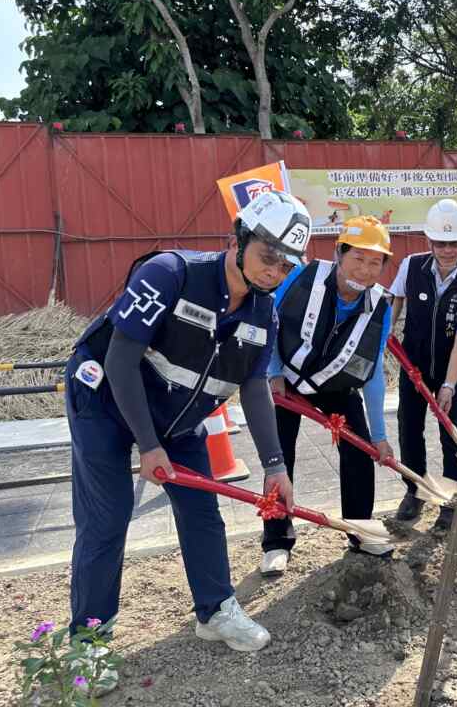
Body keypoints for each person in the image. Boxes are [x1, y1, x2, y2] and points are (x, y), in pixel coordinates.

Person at [65, 191, 310, 683]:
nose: (273, 273)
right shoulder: (170, 274)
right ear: (238, 240)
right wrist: (147, 445)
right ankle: (88, 642)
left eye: (285, 268)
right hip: (106, 400)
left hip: (179, 417)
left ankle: (216, 611)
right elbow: (119, 360)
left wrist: (275, 464)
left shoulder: (264, 314)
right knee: (108, 519)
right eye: (268, 257)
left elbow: (255, 386)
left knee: (201, 514)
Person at [262, 215, 395, 575]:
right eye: (358, 258)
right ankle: (276, 541)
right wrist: (273, 371)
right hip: (285, 377)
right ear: (339, 253)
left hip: (336, 385)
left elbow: (371, 374)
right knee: (277, 456)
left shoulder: (381, 307)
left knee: (359, 449)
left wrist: (380, 437)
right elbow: (268, 322)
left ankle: (360, 529)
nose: (366, 270)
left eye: (375, 262)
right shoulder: (302, 277)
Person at [390, 200, 457, 531]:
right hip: (413, 364)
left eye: (454, 243)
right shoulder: (412, 266)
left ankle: (451, 496)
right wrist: (387, 329)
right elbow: (395, 300)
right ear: (429, 241)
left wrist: (449, 385)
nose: (447, 250)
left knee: (452, 431)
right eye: (441, 243)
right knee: (409, 427)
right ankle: (415, 491)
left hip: (452, 369)